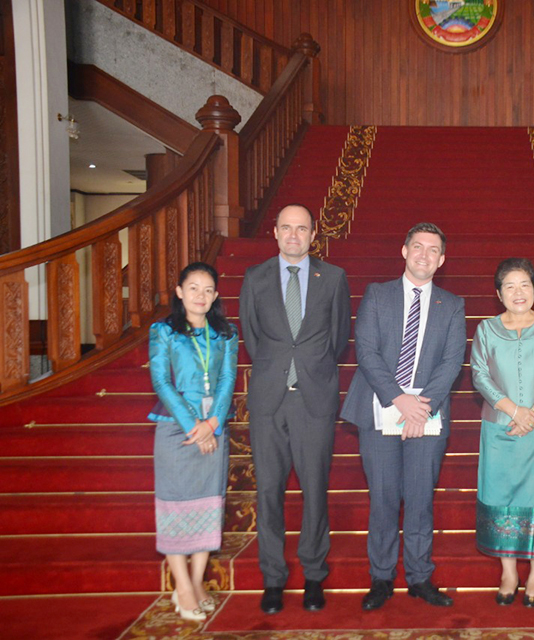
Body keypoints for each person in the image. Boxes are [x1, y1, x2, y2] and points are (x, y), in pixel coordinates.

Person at [341, 222, 467, 611]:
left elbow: (452, 360)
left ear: (441, 260)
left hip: (428, 412)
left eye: (433, 250)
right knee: (382, 498)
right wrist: (400, 400)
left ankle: (419, 576)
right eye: (418, 246)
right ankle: (381, 577)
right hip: (381, 406)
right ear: (404, 250)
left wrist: (421, 405)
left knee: (419, 499)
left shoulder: (452, 304)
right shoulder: (378, 295)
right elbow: (366, 351)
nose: (424, 255)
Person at [238, 203, 351, 615]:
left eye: (301, 228)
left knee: (315, 489)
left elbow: (338, 338)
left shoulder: (333, 277)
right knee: (268, 491)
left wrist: (308, 370)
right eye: (286, 227)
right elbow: (252, 336)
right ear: (274, 232)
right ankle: (273, 577)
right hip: (269, 399)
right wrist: (277, 369)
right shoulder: (255, 277)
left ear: (313, 234)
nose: (293, 235)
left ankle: (314, 574)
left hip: (313, 398)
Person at [471, 258, 534, 608]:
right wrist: (515, 411)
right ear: (499, 294)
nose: (518, 292)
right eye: (509, 286)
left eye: (525, 284)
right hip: (500, 428)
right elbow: (479, 375)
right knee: (501, 495)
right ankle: (509, 572)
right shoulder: (486, 330)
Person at [148, 262, 238, 622]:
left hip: (215, 427)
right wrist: (194, 425)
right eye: (194, 288)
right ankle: (182, 586)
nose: (201, 295)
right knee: (176, 506)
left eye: (208, 289)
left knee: (207, 504)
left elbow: (228, 379)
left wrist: (213, 422)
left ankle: (197, 582)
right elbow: (161, 381)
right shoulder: (164, 331)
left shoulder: (225, 333)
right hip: (176, 428)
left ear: (215, 296)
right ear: (180, 292)